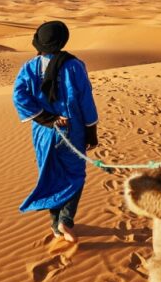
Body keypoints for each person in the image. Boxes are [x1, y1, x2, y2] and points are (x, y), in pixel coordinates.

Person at [12, 20, 99, 243]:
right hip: (72, 130)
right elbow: (85, 100)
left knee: (51, 174)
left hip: (43, 133)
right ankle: (65, 221)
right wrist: (91, 132)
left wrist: (45, 118)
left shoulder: (30, 67)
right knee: (75, 176)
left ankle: (55, 224)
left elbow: (19, 97)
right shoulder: (75, 66)